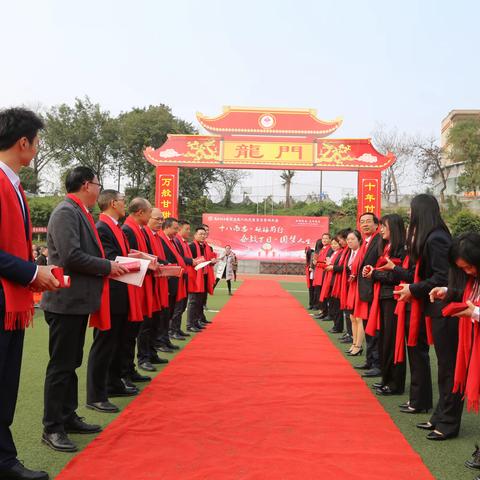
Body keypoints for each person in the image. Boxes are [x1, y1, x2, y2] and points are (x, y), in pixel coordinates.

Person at [41, 166, 129, 453]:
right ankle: (52, 427)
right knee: (61, 366)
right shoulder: (67, 211)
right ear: (85, 185)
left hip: (77, 302)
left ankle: (67, 416)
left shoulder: (79, 212)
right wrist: (108, 265)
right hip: (66, 302)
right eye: (97, 184)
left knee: (71, 363)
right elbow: (70, 256)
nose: (98, 190)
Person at [0, 107, 59, 480]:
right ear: (24, 142)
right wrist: (30, 271)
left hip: (13, 300)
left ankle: (4, 459)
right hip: (4, 299)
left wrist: (32, 275)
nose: (37, 149)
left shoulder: (14, 186)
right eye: (37, 143)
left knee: (6, 386)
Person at [397, 195, 462, 441]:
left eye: (412, 211)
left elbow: (442, 278)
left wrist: (413, 289)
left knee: (448, 368)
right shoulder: (434, 236)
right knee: (445, 367)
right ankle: (440, 417)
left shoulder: (436, 238)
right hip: (438, 309)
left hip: (446, 309)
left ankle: (447, 422)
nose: (410, 216)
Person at [86, 190, 143, 414]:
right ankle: (96, 395)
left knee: (116, 342)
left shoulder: (115, 227)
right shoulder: (102, 228)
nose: (124, 204)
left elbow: (119, 256)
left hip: (121, 291)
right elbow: (109, 260)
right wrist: (134, 262)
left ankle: (113, 383)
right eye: (122, 201)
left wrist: (135, 258)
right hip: (110, 292)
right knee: (104, 344)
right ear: (113, 203)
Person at [364, 214, 406, 396]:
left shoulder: (401, 249)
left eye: (384, 226)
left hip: (393, 298)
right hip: (382, 296)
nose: (381, 229)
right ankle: (386, 379)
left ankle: (395, 383)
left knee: (391, 339)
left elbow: (395, 275)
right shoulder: (387, 247)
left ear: (394, 228)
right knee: (384, 339)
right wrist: (373, 272)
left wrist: (375, 274)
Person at [354, 212, 382, 378]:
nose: (364, 225)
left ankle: (377, 364)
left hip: (374, 290)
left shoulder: (379, 240)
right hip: (365, 291)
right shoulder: (365, 242)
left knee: (375, 329)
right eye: (362, 222)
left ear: (376, 224)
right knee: (367, 327)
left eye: (368, 222)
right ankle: (370, 360)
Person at [187, 227, 213, 332]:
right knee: (193, 301)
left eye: (204, 234)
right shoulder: (192, 246)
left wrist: (211, 261)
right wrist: (200, 261)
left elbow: (207, 260)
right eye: (200, 234)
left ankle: (197, 321)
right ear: (195, 235)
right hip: (195, 277)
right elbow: (190, 261)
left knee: (200, 301)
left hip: (204, 275)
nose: (203, 236)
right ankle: (190, 324)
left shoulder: (206, 247)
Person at [344, 230, 364, 356]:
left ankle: (358, 345)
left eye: (352, 239)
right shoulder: (350, 253)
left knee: (358, 317)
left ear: (359, 240)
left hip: (359, 286)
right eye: (348, 239)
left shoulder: (361, 253)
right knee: (352, 317)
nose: (349, 241)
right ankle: (354, 343)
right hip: (351, 286)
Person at [313, 233, 332, 319]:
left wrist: (317, 263)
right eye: (323, 238)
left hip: (323, 274)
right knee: (319, 293)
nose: (324, 240)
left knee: (323, 294)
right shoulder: (321, 249)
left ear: (330, 240)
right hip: (318, 275)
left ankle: (325, 312)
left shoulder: (330, 249)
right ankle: (322, 311)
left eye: (326, 238)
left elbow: (327, 263)